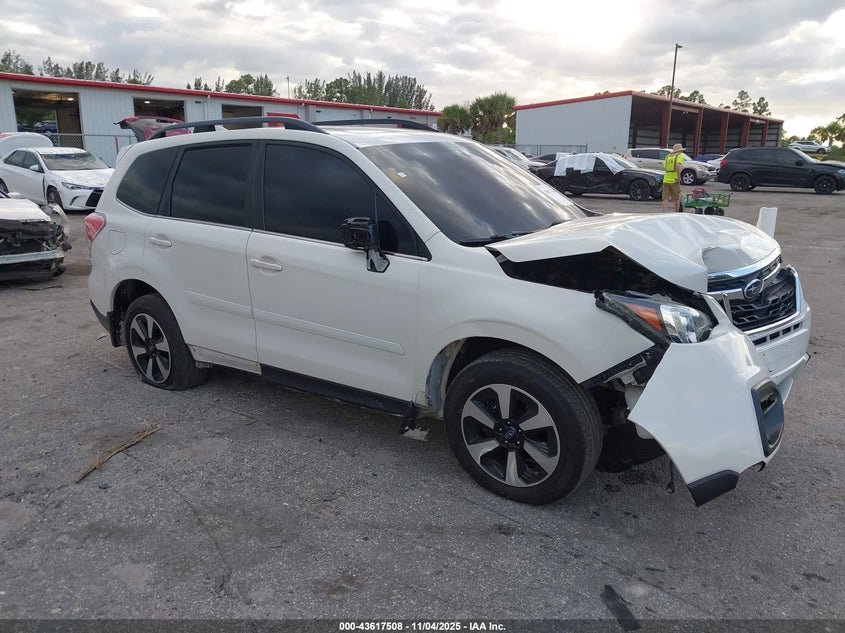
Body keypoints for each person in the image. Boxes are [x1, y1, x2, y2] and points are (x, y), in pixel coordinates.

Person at [661, 143, 685, 212]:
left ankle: (663, 211)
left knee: (665, 197)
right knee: (677, 197)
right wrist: (679, 177)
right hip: (674, 179)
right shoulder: (679, 156)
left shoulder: (667, 156)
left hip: (666, 179)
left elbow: (665, 167)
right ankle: (676, 211)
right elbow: (678, 166)